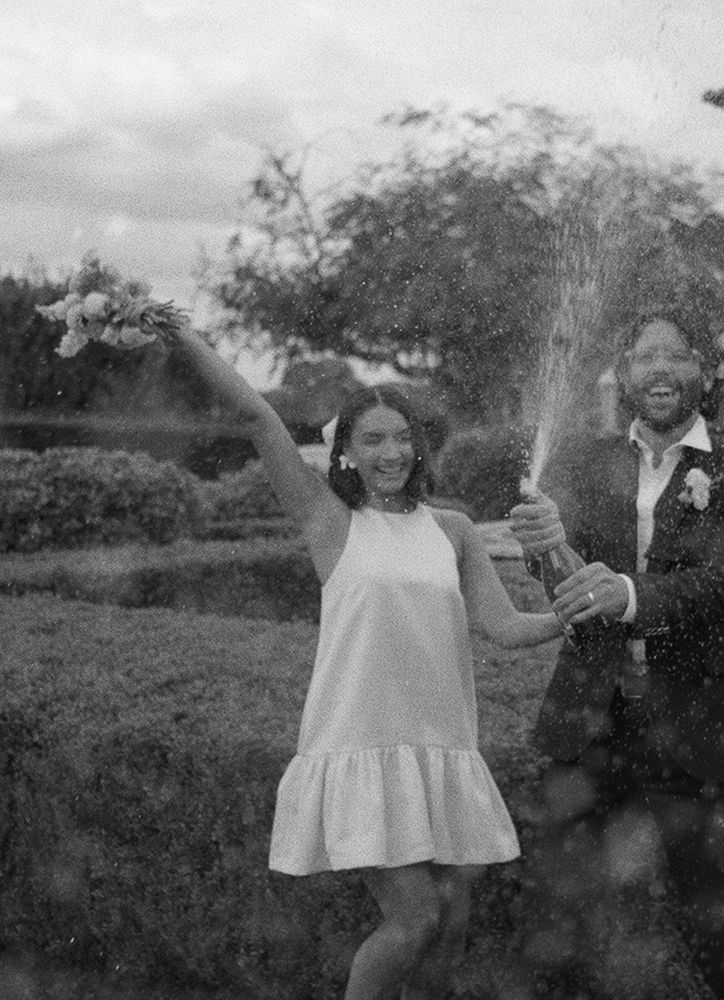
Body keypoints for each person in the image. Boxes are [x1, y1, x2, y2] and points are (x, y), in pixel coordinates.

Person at [167, 326, 564, 1000]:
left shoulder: (454, 529)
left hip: (440, 748)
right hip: (361, 748)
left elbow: (502, 626)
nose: (391, 452)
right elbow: (256, 416)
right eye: (372, 440)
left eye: (402, 437)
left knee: (451, 927)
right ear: (344, 453)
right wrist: (182, 337)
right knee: (413, 921)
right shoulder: (330, 522)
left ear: (419, 446)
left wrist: (576, 615)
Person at [508, 306, 724, 999]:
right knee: (557, 927)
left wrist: (627, 594)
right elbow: (569, 588)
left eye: (677, 354)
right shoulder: (582, 461)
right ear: (625, 374)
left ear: (706, 370)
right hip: (589, 730)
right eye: (643, 356)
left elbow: (723, 587)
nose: (658, 368)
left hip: (698, 732)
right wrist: (547, 548)